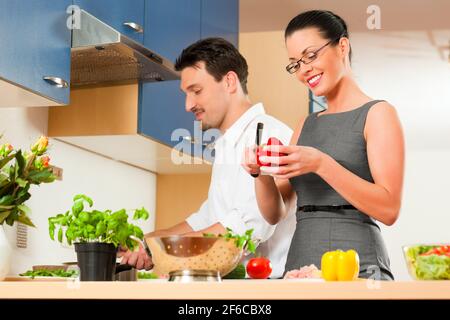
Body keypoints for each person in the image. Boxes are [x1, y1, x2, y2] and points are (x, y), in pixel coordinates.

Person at [242, 10, 405, 280]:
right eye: (295, 63)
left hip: (358, 265)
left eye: (311, 55)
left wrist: (321, 163)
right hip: (301, 264)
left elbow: (388, 210)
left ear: (342, 46)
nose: (304, 69)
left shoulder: (378, 114)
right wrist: (259, 176)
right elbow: (275, 214)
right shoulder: (304, 125)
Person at [119, 37, 295, 278]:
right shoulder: (226, 144)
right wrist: (146, 241)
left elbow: (243, 228)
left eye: (196, 91)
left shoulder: (268, 135)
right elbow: (206, 219)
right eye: (186, 94)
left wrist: (159, 250)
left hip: (267, 289)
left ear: (230, 82)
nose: (188, 105)